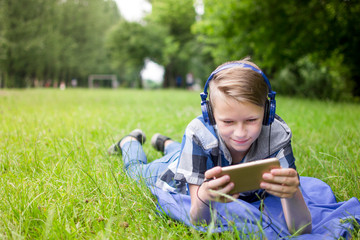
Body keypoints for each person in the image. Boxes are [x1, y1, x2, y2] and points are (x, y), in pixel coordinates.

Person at [108, 58, 312, 234]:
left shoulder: (277, 133)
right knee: (135, 172)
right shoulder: (198, 132)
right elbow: (199, 220)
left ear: (267, 112)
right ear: (211, 115)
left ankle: (166, 142)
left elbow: (302, 229)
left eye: (251, 120)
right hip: (172, 170)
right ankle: (130, 141)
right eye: (228, 122)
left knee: (183, 153)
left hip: (189, 155)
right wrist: (204, 197)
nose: (240, 133)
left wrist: (292, 193)